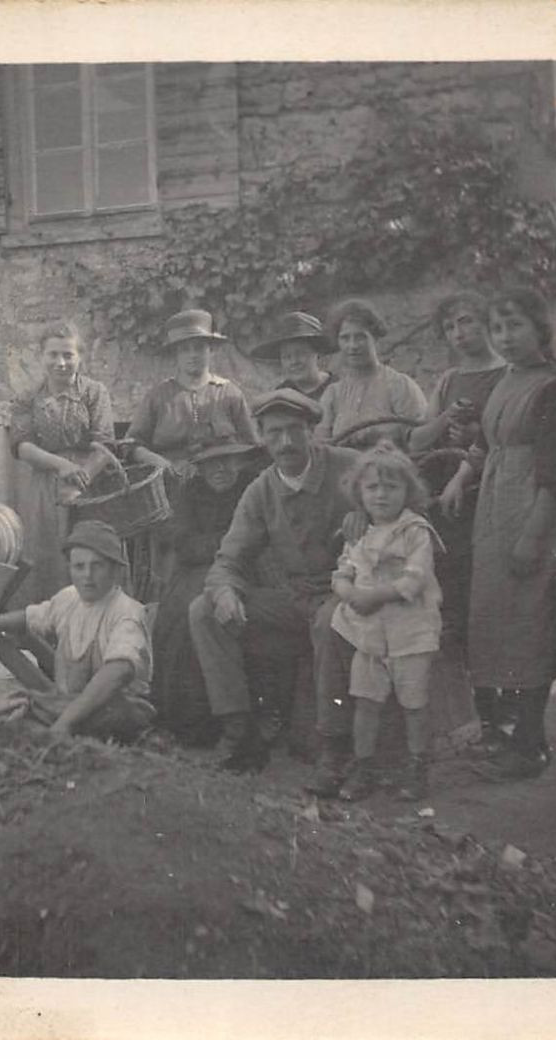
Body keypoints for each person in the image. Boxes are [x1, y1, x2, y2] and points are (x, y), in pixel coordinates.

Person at [188, 390, 362, 775]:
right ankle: (239, 731)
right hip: (294, 600)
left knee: (329, 620)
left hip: (349, 597)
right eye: (273, 433)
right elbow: (228, 559)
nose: (285, 442)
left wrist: (370, 521)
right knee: (203, 611)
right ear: (263, 438)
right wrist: (225, 592)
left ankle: (336, 748)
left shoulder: (351, 467)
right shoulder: (261, 490)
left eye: (294, 431)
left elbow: (407, 505)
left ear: (313, 431)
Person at [463, 287, 556, 780]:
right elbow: (484, 442)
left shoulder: (554, 388)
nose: (505, 337)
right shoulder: (508, 379)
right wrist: (459, 480)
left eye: (515, 326)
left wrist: (532, 538)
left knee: (531, 624)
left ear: (539, 329)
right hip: (496, 512)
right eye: (497, 328)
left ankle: (532, 744)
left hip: (533, 514)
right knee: (498, 624)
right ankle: (506, 733)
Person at [0, 520, 154, 743]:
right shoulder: (70, 598)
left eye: (98, 566)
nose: (88, 576)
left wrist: (65, 722)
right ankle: (43, 728)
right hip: (64, 702)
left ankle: (49, 731)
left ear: (115, 570)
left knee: (18, 717)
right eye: (79, 566)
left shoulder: (127, 612)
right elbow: (30, 617)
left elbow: (116, 673)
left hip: (115, 706)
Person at [406, 291, 508, 746]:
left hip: (489, 496)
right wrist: (447, 416)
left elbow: (497, 443)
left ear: (486, 323)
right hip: (449, 504)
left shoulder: (506, 375)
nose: (459, 333)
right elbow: (418, 441)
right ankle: (464, 712)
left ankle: (498, 709)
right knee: (451, 601)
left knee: (487, 602)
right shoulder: (447, 380)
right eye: (450, 327)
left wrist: (470, 451)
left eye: (467, 322)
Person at [329, 442, 445, 802]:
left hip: (410, 631)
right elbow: (342, 571)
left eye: (391, 487)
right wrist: (347, 592)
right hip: (368, 633)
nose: (381, 495)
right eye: (372, 487)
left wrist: (371, 597)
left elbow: (413, 581)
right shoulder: (360, 531)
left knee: (413, 702)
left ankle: (417, 766)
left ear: (407, 492)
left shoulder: (415, 532)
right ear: (359, 493)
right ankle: (364, 766)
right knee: (365, 700)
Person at [125, 309, 261, 599]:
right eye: (185, 349)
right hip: (174, 492)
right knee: (176, 557)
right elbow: (132, 444)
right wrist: (162, 464)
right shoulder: (159, 396)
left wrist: (230, 468)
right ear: (175, 354)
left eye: (199, 348)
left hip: (221, 492)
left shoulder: (229, 393)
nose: (193, 356)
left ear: (210, 350)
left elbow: (253, 447)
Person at [149, 440, 258, 747]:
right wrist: (228, 541)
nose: (221, 469)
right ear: (200, 467)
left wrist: (231, 549)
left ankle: (217, 720)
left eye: (227, 460)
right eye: (212, 463)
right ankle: (180, 719)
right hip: (196, 567)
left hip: (242, 569)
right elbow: (183, 543)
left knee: (206, 609)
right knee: (175, 614)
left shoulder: (252, 488)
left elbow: (259, 537)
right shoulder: (190, 493)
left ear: (239, 462)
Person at [9, 320, 116, 602]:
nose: (61, 362)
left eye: (68, 355)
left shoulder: (94, 392)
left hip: (90, 486)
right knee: (47, 555)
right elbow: (22, 446)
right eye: (53, 354)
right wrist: (61, 466)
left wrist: (81, 480)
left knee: (91, 552)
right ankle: (50, 628)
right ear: (41, 356)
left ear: (79, 357)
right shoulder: (28, 398)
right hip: (44, 486)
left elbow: (105, 445)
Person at [315, 298, 428, 448]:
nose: (352, 345)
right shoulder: (332, 394)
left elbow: (419, 439)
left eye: (360, 337)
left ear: (375, 337)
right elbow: (321, 447)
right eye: (345, 338)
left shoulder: (399, 385)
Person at [249, 311, 337, 427]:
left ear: (317, 353)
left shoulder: (337, 386)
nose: (294, 362)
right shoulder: (282, 392)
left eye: (300, 354)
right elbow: (250, 409)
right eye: (287, 357)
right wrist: (281, 394)